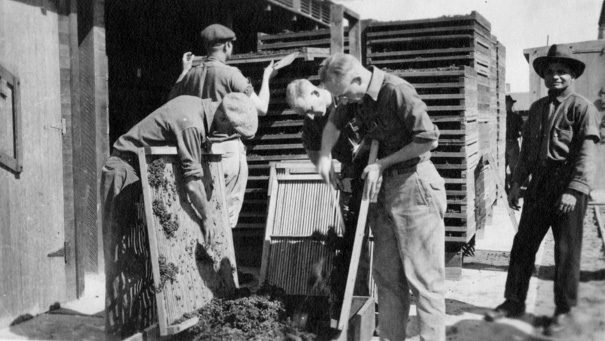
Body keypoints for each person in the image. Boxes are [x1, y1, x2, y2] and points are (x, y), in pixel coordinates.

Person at [101, 93, 257, 338]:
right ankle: (118, 334)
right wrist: (206, 218)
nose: (228, 136)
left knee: (146, 258)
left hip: (141, 175)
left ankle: (144, 327)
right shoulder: (192, 123)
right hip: (125, 172)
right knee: (123, 258)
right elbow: (193, 184)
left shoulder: (197, 109)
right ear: (223, 117)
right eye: (232, 130)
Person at [316, 53, 446, 341]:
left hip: (415, 185)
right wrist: (325, 157)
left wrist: (382, 164)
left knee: (424, 281)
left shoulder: (396, 90)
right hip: (382, 189)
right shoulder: (354, 96)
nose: (344, 102)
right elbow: (334, 125)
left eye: (345, 95)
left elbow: (428, 138)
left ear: (358, 79)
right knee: (387, 279)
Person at [484, 45, 600, 337]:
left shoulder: (582, 108)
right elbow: (526, 155)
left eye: (561, 71)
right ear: (544, 77)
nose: (555, 77)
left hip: (568, 185)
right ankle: (513, 301)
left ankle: (563, 311)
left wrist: (573, 190)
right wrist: (516, 184)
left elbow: (587, 154)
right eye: (550, 72)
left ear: (572, 75)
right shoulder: (536, 109)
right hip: (539, 185)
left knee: (566, 251)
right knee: (523, 244)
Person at [169, 23, 278, 228]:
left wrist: (184, 71)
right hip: (227, 151)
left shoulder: (191, 74)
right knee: (225, 219)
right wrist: (266, 78)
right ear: (227, 46)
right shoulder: (231, 73)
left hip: (198, 152)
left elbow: (171, 102)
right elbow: (261, 108)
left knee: (203, 214)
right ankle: (223, 260)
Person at [285, 79, 370, 299]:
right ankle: (359, 299)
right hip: (351, 172)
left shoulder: (346, 97)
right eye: (304, 113)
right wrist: (327, 170)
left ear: (315, 92)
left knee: (383, 234)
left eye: (310, 109)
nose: (310, 116)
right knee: (354, 239)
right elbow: (313, 148)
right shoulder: (312, 120)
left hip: (377, 166)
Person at [505, 94, 524, 192]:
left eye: (511, 103)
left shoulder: (516, 117)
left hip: (512, 143)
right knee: (505, 166)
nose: (510, 105)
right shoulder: (503, 117)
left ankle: (512, 188)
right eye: (509, 103)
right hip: (504, 144)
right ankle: (505, 187)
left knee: (514, 167)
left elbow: (522, 130)